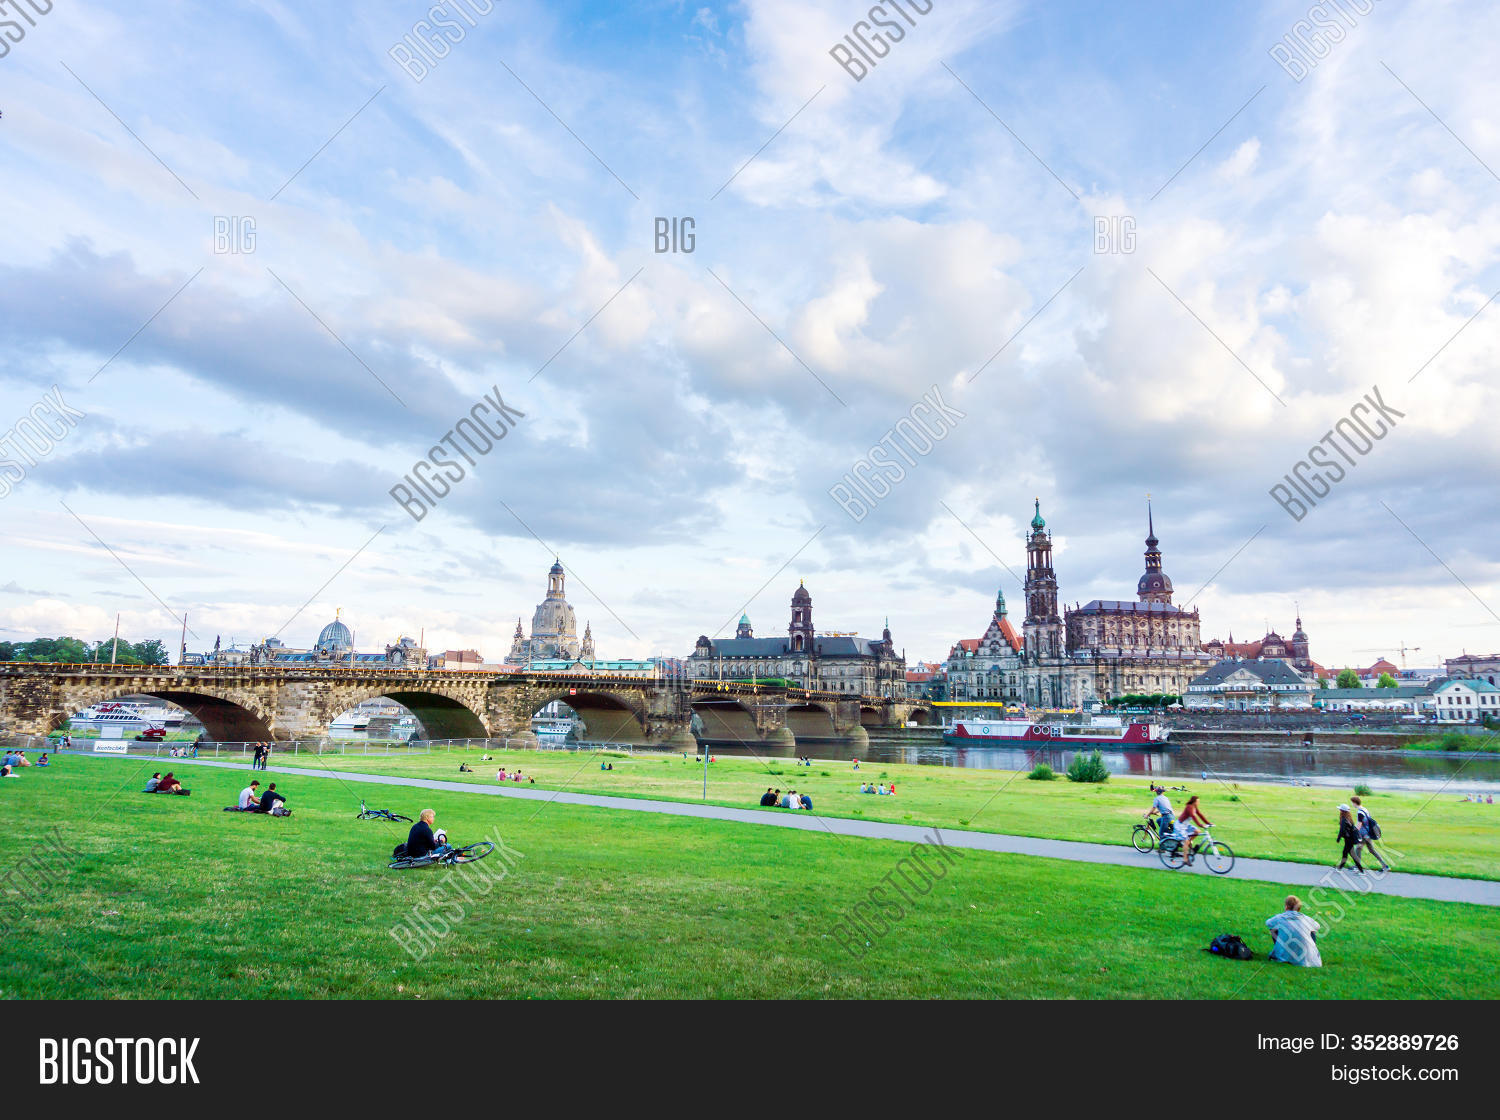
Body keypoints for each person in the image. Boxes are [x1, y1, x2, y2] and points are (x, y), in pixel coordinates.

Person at [1266, 895, 1322, 967]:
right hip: (1310, 961)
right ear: (1299, 908)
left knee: (1273, 929)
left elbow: (1268, 923)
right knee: (1312, 930)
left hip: (1284, 956)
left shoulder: (1279, 918)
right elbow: (1317, 926)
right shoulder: (1306, 919)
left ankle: (1281, 952)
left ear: (1286, 906)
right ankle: (1308, 953)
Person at [1349, 795, 1390, 871]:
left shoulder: (1360, 812)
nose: (1352, 804)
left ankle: (1358, 866)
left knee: (1358, 848)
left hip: (1363, 835)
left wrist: (1353, 832)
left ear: (1355, 803)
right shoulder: (1365, 809)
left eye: (1352, 803)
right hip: (1368, 834)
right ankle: (1385, 866)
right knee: (1372, 850)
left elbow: (1359, 824)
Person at [1175, 796, 1212, 864]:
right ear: (1194, 802)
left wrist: (1208, 823)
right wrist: (1200, 825)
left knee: (1197, 831)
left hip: (1186, 825)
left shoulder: (1194, 807)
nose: (1198, 803)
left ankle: (1188, 844)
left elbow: (1200, 815)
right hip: (1180, 825)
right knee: (1186, 841)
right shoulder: (1189, 807)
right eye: (1198, 801)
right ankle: (1185, 859)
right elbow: (1193, 816)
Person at [1336, 804, 1364, 872]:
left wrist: (1338, 838)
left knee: (1349, 855)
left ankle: (1361, 870)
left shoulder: (1343, 819)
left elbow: (1342, 830)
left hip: (1348, 840)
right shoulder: (1349, 818)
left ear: (1342, 811)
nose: (1339, 810)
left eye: (1340, 809)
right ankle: (1340, 867)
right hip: (1350, 839)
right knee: (1349, 854)